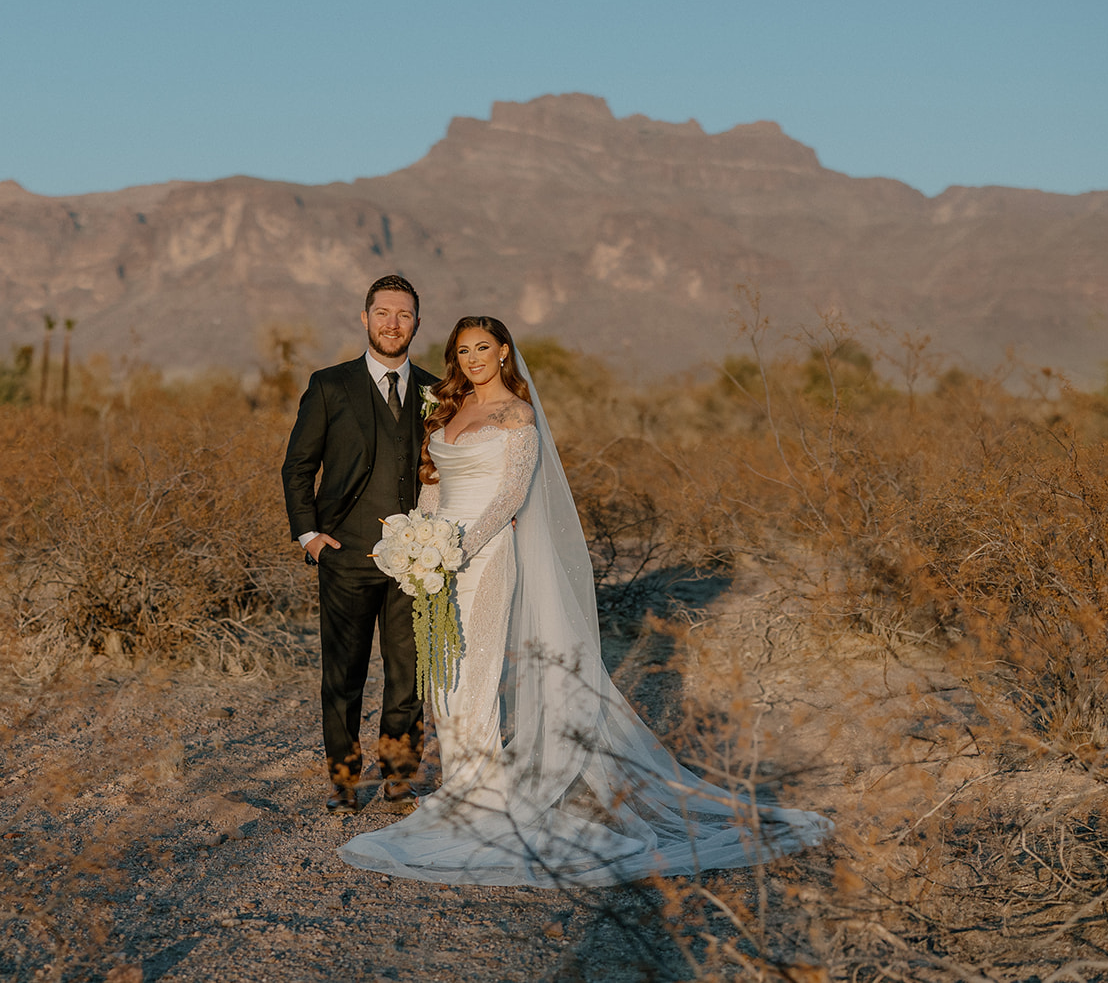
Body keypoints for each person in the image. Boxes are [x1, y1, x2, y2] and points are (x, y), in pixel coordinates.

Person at [339, 316, 833, 886]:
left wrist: (456, 548)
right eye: (463, 350)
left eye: (483, 348)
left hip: (485, 555)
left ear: (504, 352)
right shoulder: (447, 409)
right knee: (442, 676)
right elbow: (433, 483)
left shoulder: (517, 417)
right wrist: (416, 541)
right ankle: (461, 788)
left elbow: (509, 497)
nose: (473, 358)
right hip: (436, 560)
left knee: (473, 674)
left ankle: (484, 801)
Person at [281, 275, 441, 812]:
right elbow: (299, 465)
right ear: (366, 318)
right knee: (342, 675)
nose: (393, 323)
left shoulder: (437, 391)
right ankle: (345, 781)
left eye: (404, 314)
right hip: (344, 555)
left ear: (417, 322)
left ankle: (399, 777)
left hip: (417, 561)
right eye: (383, 313)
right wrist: (310, 536)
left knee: (407, 675)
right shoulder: (329, 385)